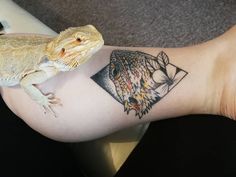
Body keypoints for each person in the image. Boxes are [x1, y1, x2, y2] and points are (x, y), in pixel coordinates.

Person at [1, 24, 236, 143]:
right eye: (80, 40)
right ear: (63, 50)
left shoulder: (58, 56)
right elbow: (26, 83)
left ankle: (215, 72)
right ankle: (215, 77)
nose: (93, 38)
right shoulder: (47, 66)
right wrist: (41, 99)